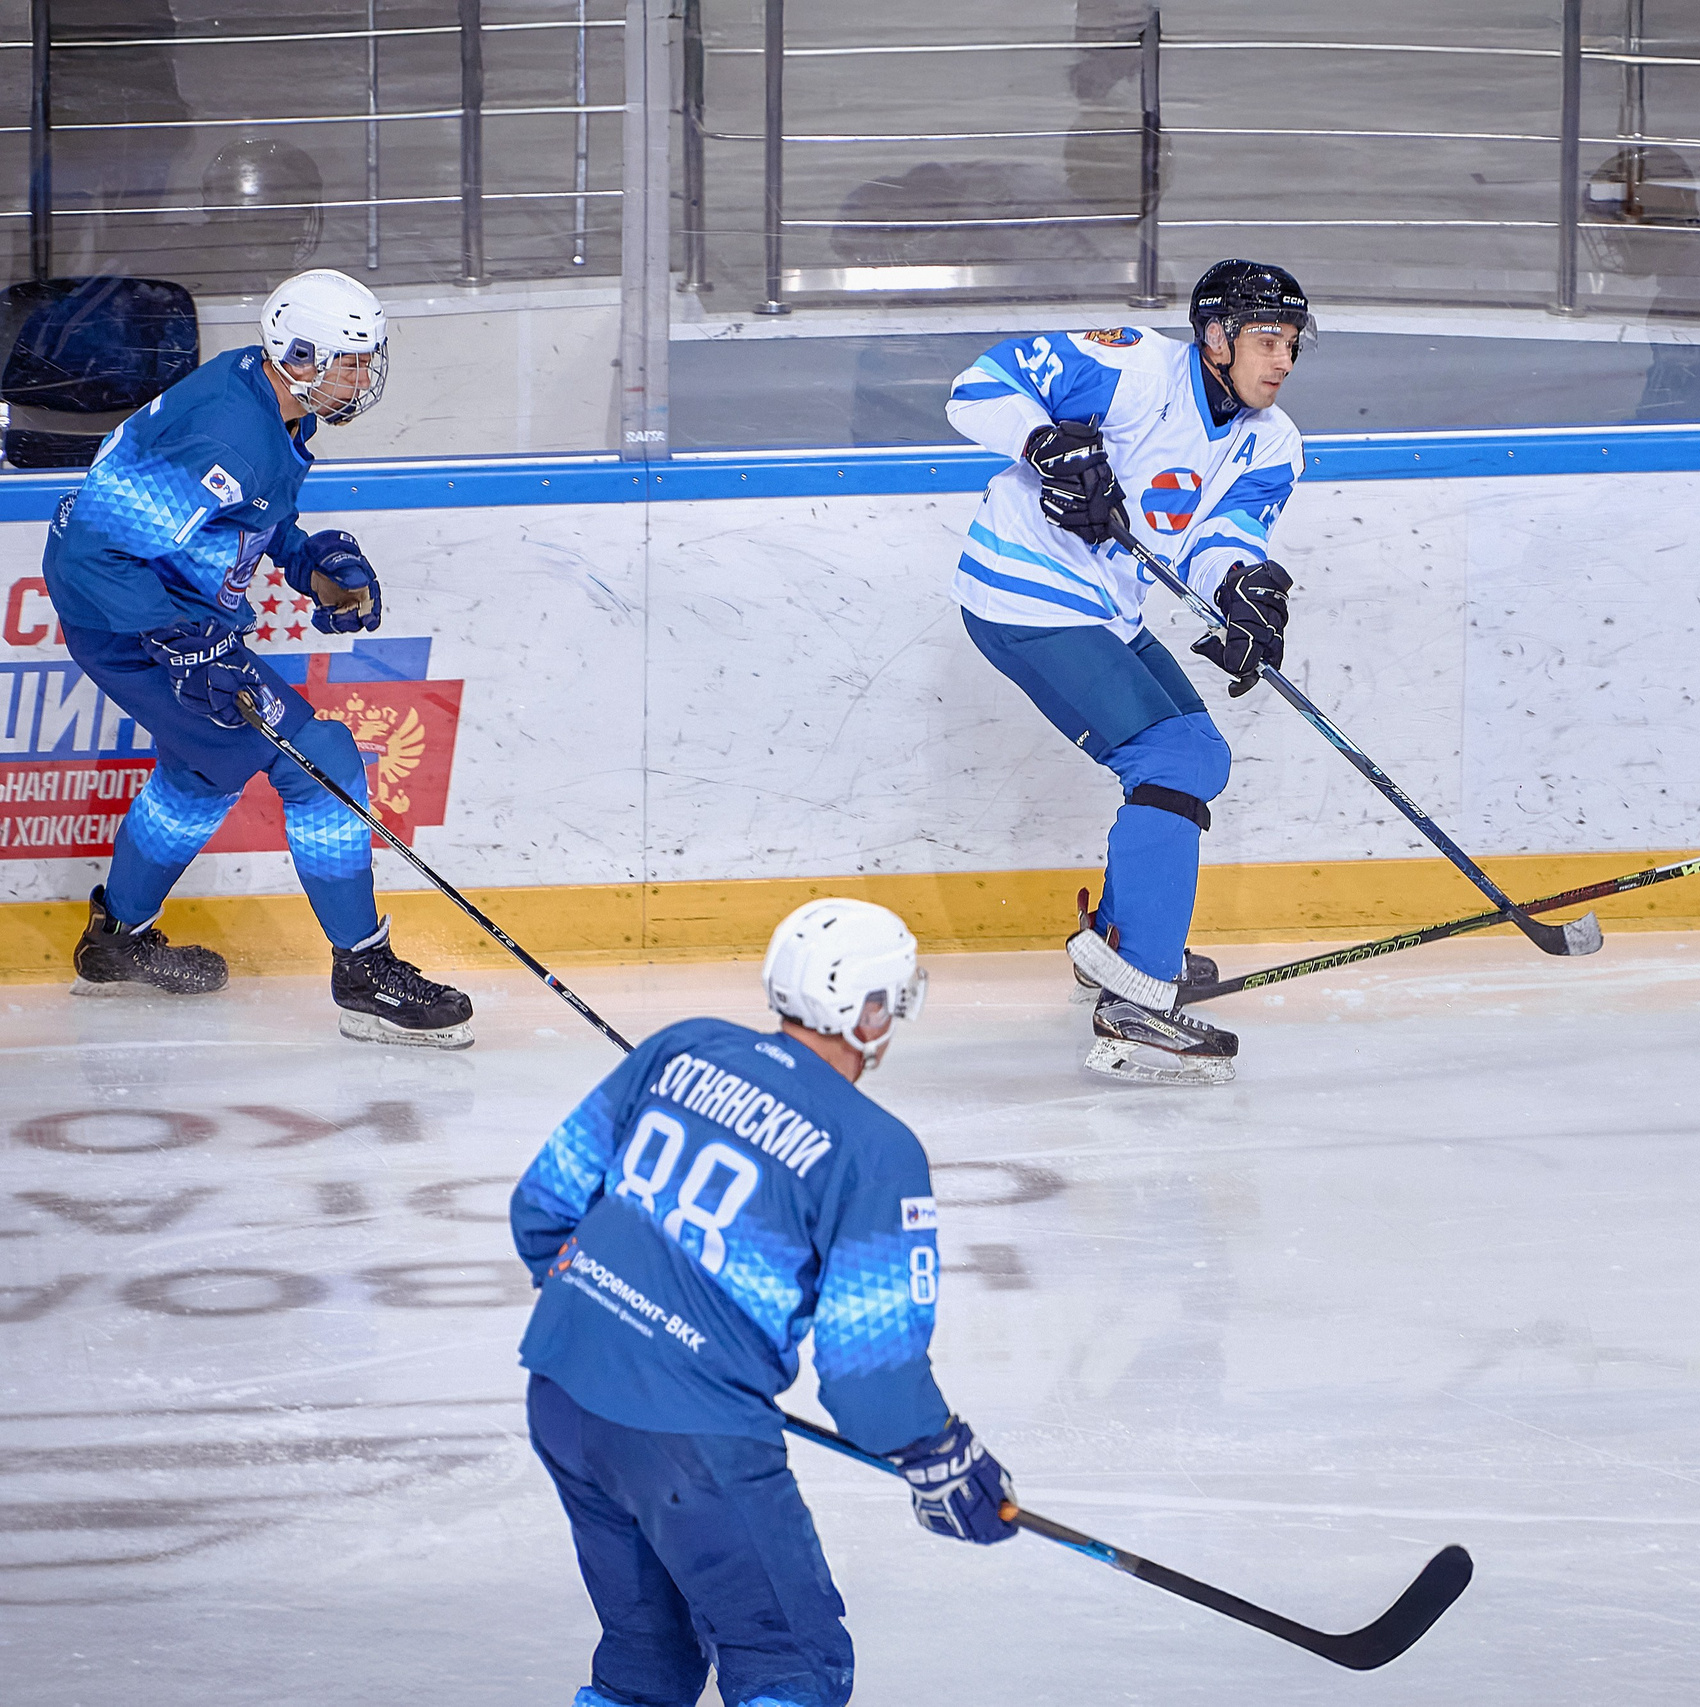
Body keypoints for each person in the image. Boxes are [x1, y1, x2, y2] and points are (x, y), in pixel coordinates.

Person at [510, 899, 1016, 1707]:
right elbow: (869, 1379)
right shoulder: (874, 1148)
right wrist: (939, 1454)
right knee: (792, 1665)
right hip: (692, 1445)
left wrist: (615, 1315)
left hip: (563, 1394)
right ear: (868, 1009)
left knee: (649, 1659)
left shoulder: (683, 1046)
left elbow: (543, 1205)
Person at [40, 266, 474, 1046]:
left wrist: (309, 566)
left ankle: (117, 940)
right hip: (131, 628)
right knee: (322, 762)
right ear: (300, 356)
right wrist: (179, 645)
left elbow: (241, 518)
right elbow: (88, 554)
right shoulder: (228, 433)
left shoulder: (268, 402)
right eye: (352, 360)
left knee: (200, 776)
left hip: (162, 621)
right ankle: (363, 968)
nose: (362, 376)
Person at [943, 259, 1311, 1085]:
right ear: (1214, 338)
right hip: (1022, 593)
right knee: (1171, 761)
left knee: (1199, 755)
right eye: (1265, 339)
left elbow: (1222, 538)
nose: (1282, 359)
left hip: (1107, 607)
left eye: (1289, 343)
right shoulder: (1133, 367)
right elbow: (977, 385)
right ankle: (1139, 1000)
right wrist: (1044, 442)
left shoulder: (1274, 443)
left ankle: (1118, 940)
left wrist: (1241, 593)